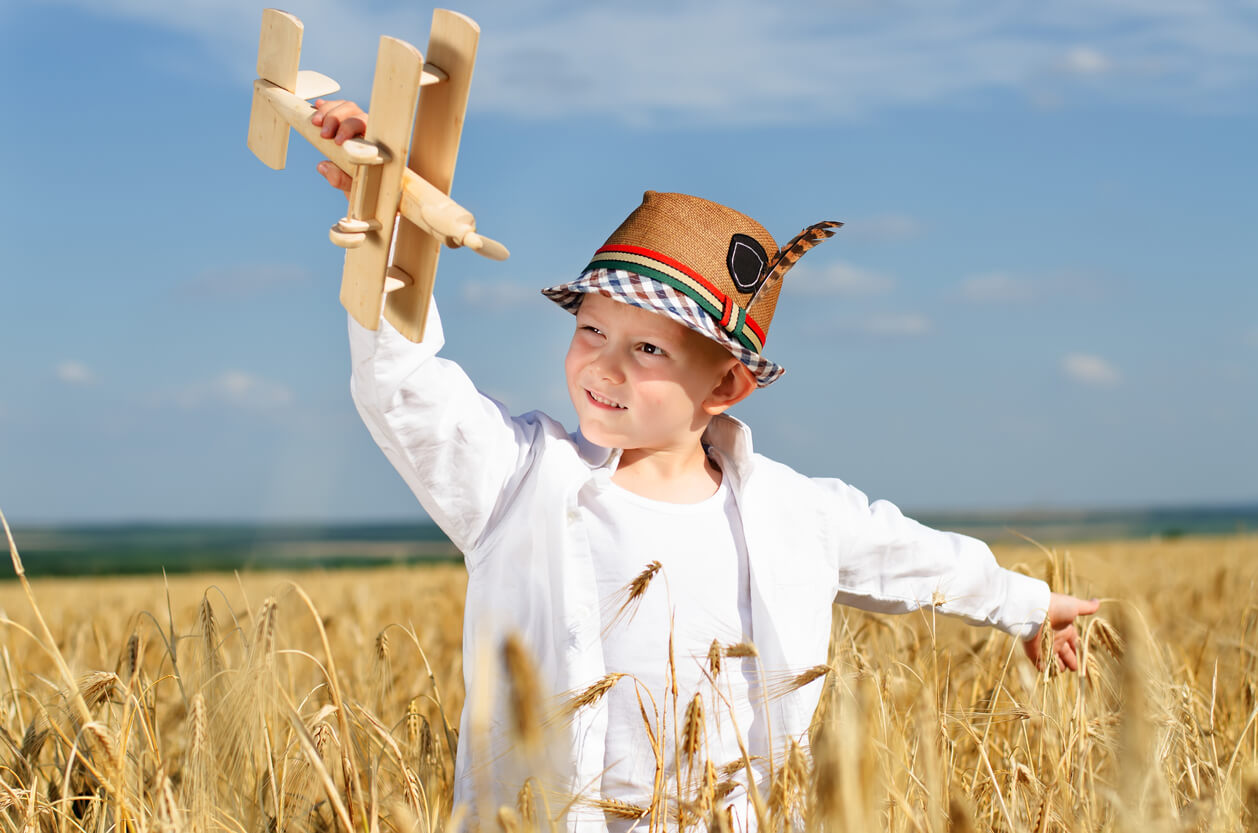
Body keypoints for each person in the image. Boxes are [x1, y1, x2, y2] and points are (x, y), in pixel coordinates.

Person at [311, 100, 1100, 832]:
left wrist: (1027, 604)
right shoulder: (523, 481)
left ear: (726, 383)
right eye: (591, 330)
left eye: (647, 348)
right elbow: (406, 389)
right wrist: (385, 227)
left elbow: (910, 557)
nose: (603, 366)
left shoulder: (794, 513)